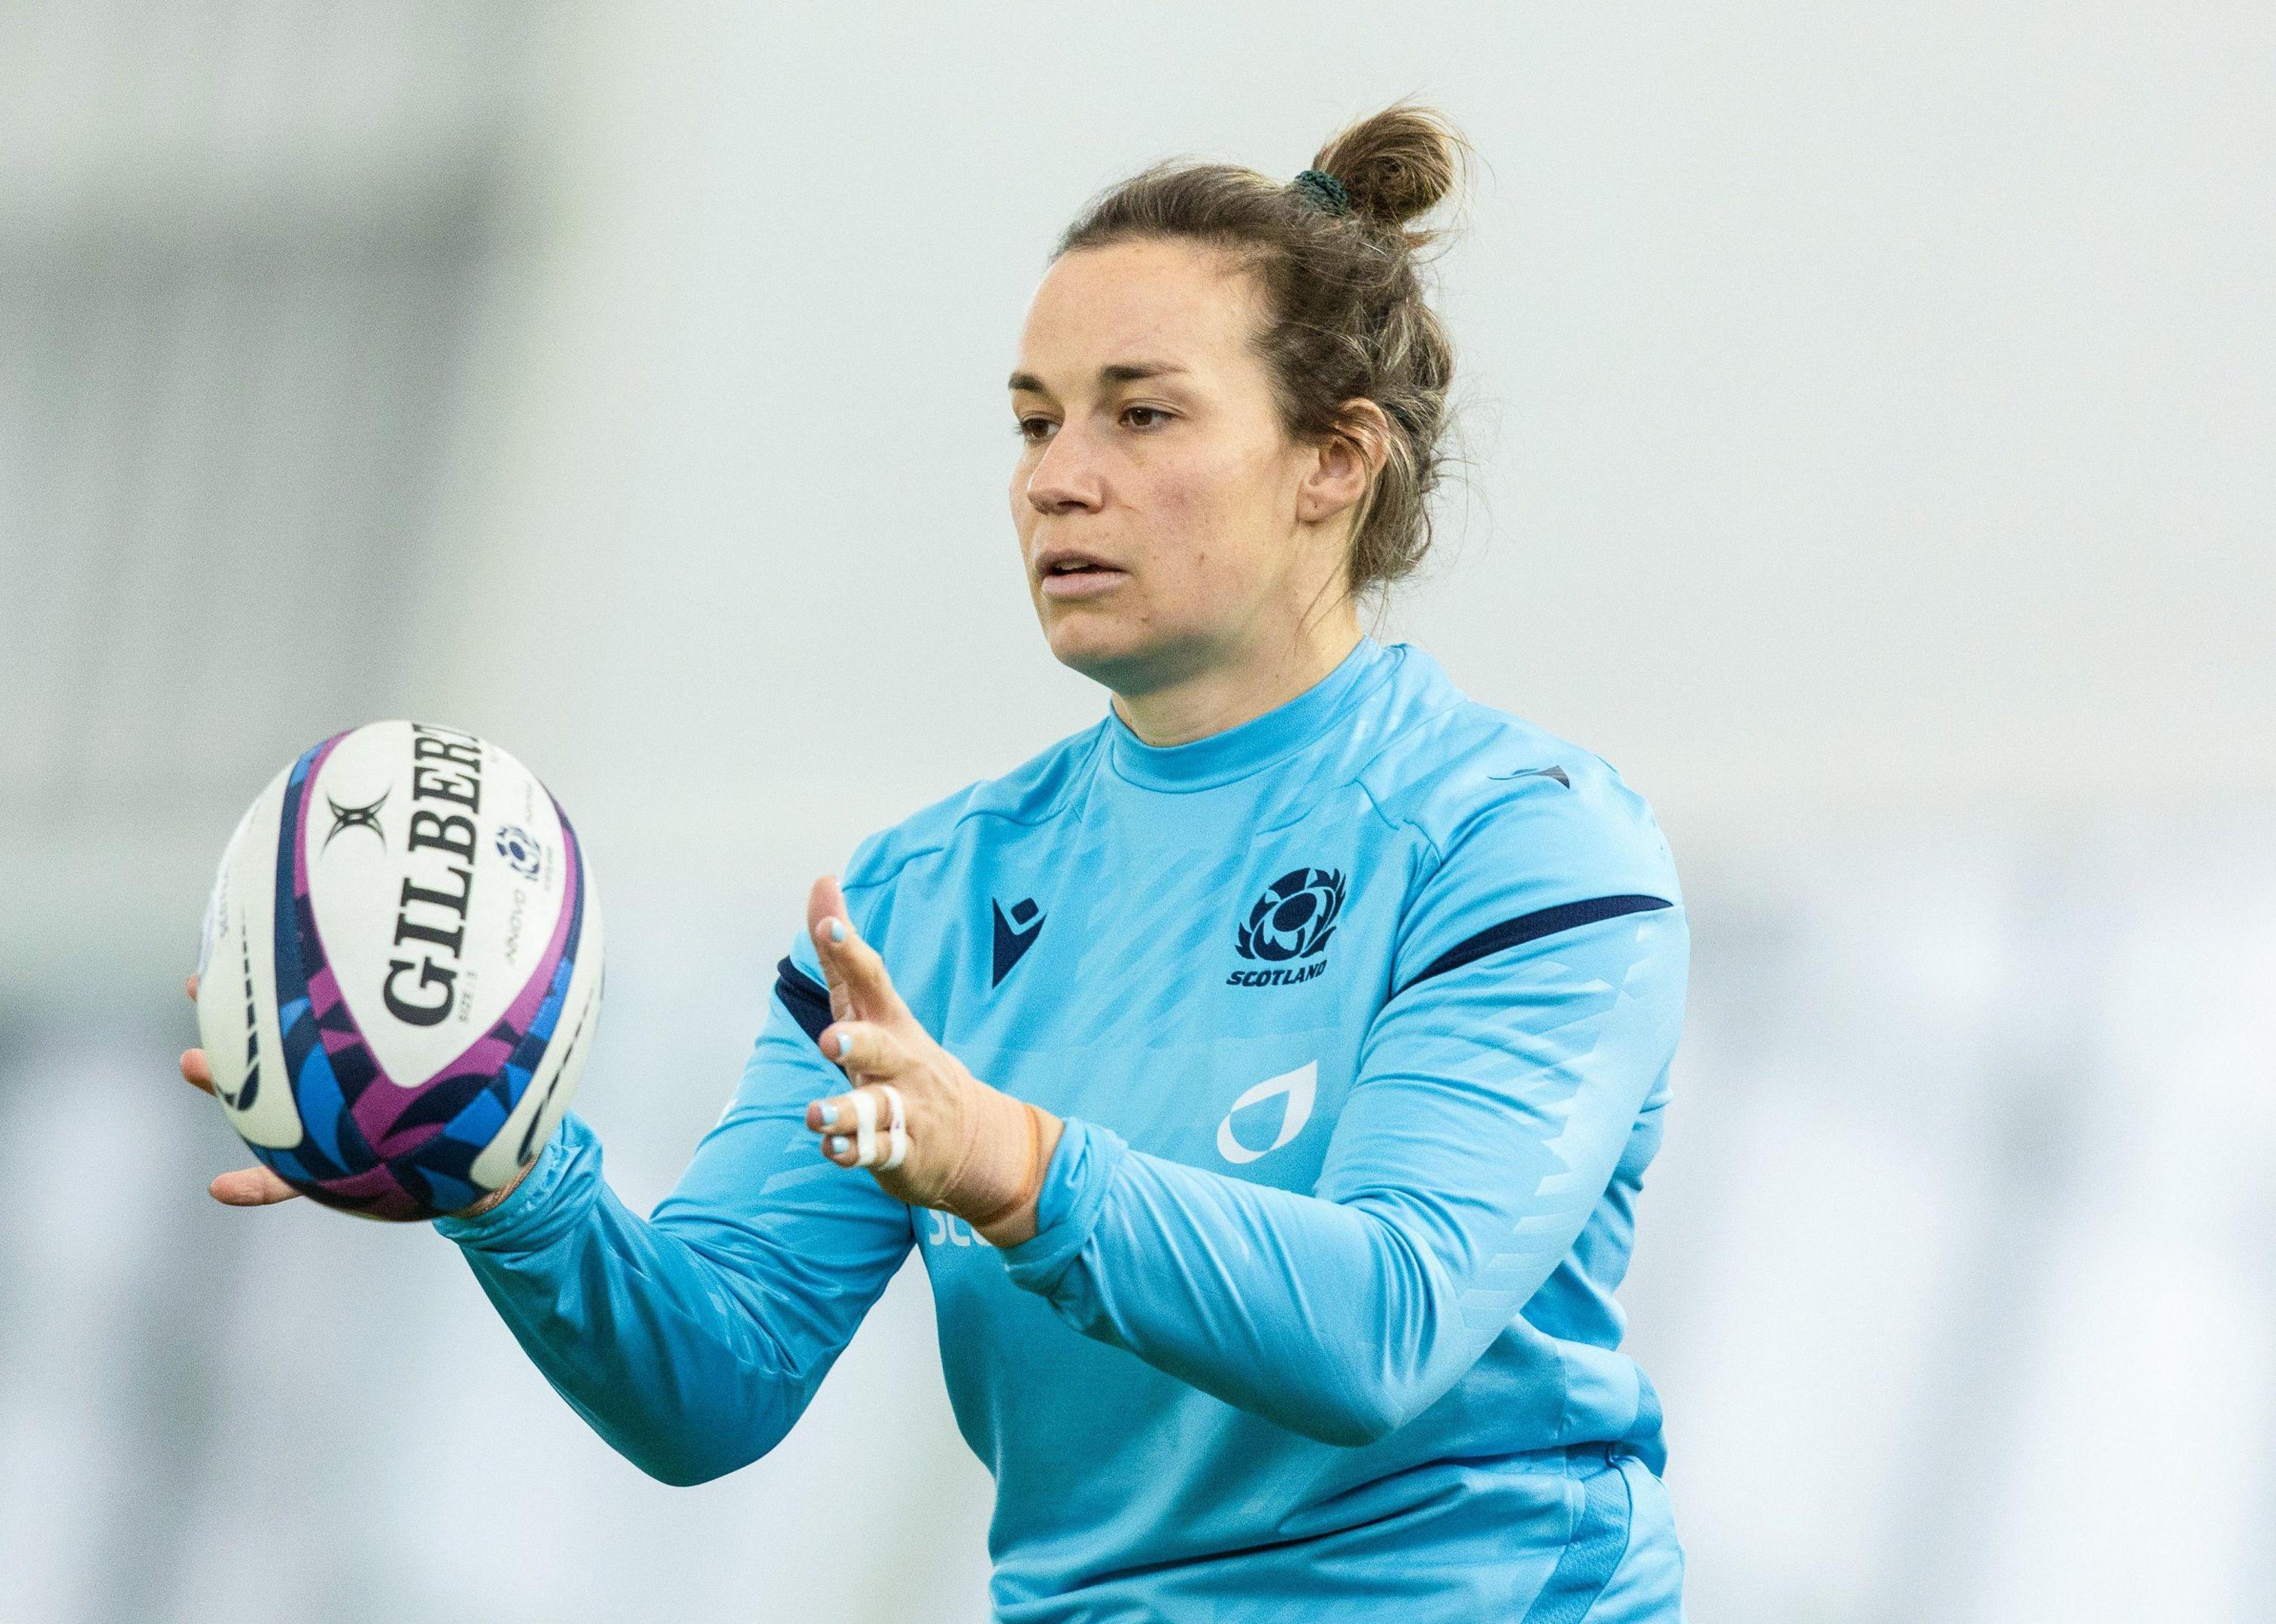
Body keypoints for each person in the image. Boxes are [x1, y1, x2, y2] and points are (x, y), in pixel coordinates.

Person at [182, 103, 1688, 1623]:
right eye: (1037, 423)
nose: (1056, 479)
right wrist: (492, 1158)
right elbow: (715, 1379)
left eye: (1141, 416)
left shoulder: (1528, 840)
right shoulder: (921, 899)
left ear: (1335, 462)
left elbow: (1381, 1325)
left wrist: (1005, 1162)